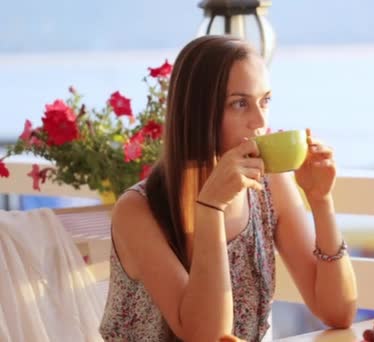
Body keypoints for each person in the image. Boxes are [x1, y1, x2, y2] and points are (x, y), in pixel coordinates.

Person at [99, 35, 358, 342]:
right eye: (239, 103)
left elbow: (337, 312)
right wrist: (210, 208)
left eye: (266, 101)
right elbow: (206, 337)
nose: (260, 121)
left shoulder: (270, 185)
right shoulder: (137, 211)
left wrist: (321, 201)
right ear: (198, 112)